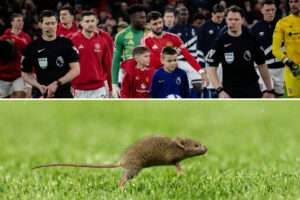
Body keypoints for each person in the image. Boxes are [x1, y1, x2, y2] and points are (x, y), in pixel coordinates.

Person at [208, 5, 274, 98]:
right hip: (229, 93)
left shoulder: (252, 40)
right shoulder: (219, 42)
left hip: (252, 91)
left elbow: (262, 66)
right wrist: (219, 90)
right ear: (226, 20)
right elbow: (212, 69)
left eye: (236, 19)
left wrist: (269, 90)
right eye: (230, 19)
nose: (233, 22)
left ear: (242, 20)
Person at [21, 10, 80, 98]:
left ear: (57, 24)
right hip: (41, 93)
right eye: (47, 23)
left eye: (53, 23)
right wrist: (37, 85)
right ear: (40, 25)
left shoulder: (66, 43)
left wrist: (57, 83)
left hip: (64, 93)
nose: (50, 26)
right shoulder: (32, 47)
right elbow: (24, 73)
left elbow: (76, 70)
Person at [141, 11, 209, 87]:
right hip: (156, 79)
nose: (159, 26)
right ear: (148, 25)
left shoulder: (174, 37)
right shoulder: (145, 41)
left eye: (160, 22)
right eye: (155, 24)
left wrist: (201, 71)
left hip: (173, 78)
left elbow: (188, 56)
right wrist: (172, 54)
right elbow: (152, 61)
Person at [111, 4, 151, 98]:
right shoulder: (121, 36)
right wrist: (114, 83)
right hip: (129, 82)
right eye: (141, 18)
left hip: (148, 80)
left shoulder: (150, 33)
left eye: (145, 17)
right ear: (132, 18)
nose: (144, 21)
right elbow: (116, 60)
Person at [70, 11, 112, 98]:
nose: (90, 24)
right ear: (81, 23)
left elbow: (108, 66)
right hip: (79, 88)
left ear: (96, 22)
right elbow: (67, 66)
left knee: (100, 112)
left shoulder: (103, 41)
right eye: (87, 21)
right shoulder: (72, 41)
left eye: (92, 21)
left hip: (99, 87)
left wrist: (110, 88)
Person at [251, 0, 285, 98]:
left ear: (275, 10)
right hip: (264, 67)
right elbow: (252, 48)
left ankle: (277, 114)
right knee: (267, 95)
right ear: (261, 10)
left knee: (279, 97)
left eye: (272, 10)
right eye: (267, 10)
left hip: (281, 67)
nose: (270, 13)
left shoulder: (283, 25)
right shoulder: (255, 28)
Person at [169, 7, 203, 98]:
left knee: (198, 86)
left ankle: (196, 103)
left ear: (188, 15)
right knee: (183, 86)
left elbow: (199, 45)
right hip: (179, 61)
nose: (183, 16)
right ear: (178, 16)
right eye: (181, 14)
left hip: (193, 60)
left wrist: (201, 62)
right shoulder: (173, 30)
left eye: (185, 14)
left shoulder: (195, 28)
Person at [273, 0, 300, 98]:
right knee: (296, 108)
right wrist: (290, 63)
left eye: (296, 1)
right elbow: (275, 50)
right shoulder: (282, 23)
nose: (293, 4)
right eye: (291, 2)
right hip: (293, 72)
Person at [198, 4, 226, 98]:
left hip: (226, 62)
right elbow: (199, 48)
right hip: (210, 62)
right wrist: (202, 66)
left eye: (222, 16)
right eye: (218, 17)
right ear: (212, 14)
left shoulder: (227, 25)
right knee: (211, 87)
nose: (220, 19)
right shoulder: (204, 27)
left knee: (225, 87)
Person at [0, 13, 31, 98]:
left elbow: (30, 56)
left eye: (22, 21)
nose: (21, 23)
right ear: (12, 23)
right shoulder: (4, 38)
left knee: (20, 100)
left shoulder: (27, 37)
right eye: (18, 21)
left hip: (19, 75)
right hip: (3, 75)